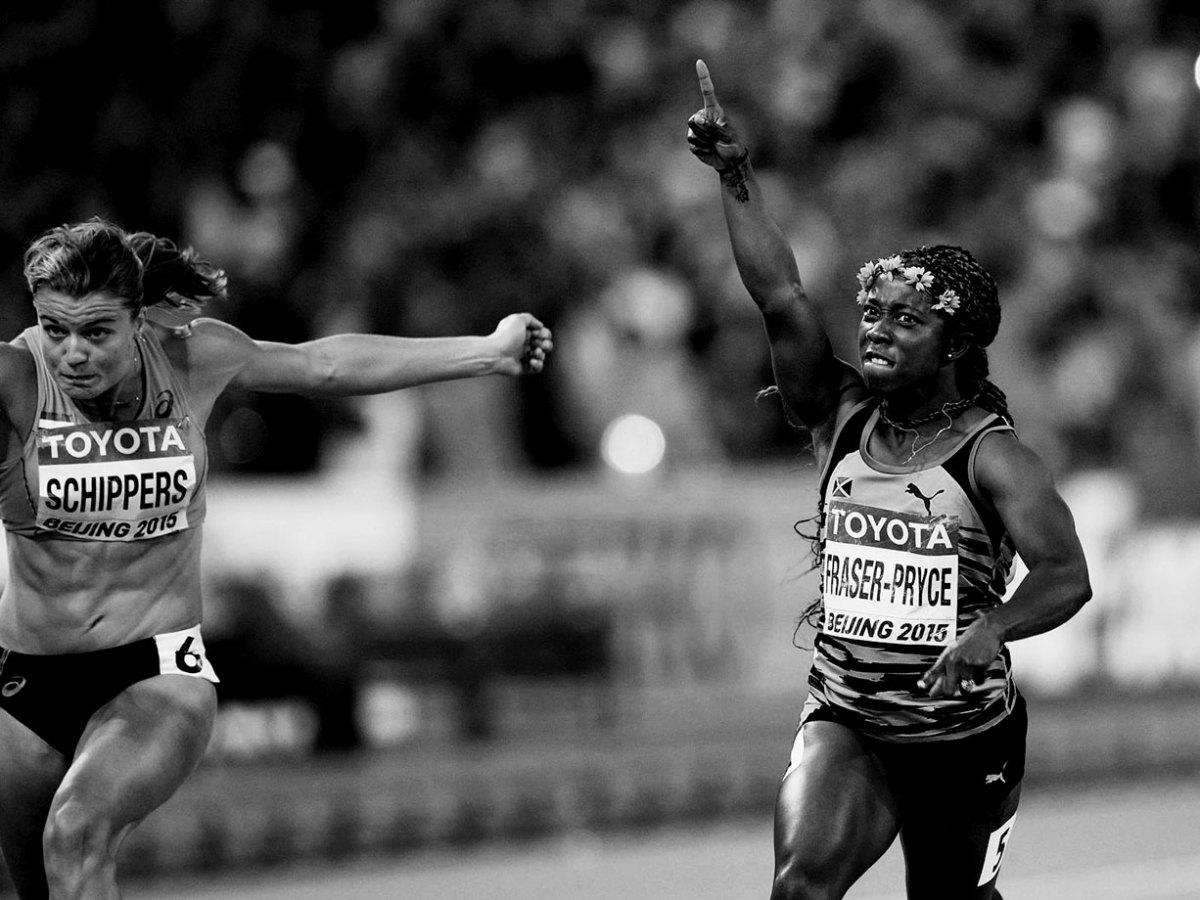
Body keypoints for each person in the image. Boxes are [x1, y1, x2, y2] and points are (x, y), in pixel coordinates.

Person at [0, 217, 553, 898]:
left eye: (96, 332)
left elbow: (324, 365)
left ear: (139, 318)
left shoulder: (190, 359)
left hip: (154, 669)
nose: (73, 354)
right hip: (24, 683)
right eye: (55, 329)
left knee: (76, 831)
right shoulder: (15, 383)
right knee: (34, 882)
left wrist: (487, 351)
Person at [687, 60, 1091, 899]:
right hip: (849, 722)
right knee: (801, 887)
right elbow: (784, 298)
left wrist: (991, 631)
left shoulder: (994, 457)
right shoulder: (841, 415)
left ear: (955, 349)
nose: (875, 332)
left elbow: (1067, 576)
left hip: (965, 736)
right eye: (872, 313)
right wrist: (737, 176)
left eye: (905, 321)